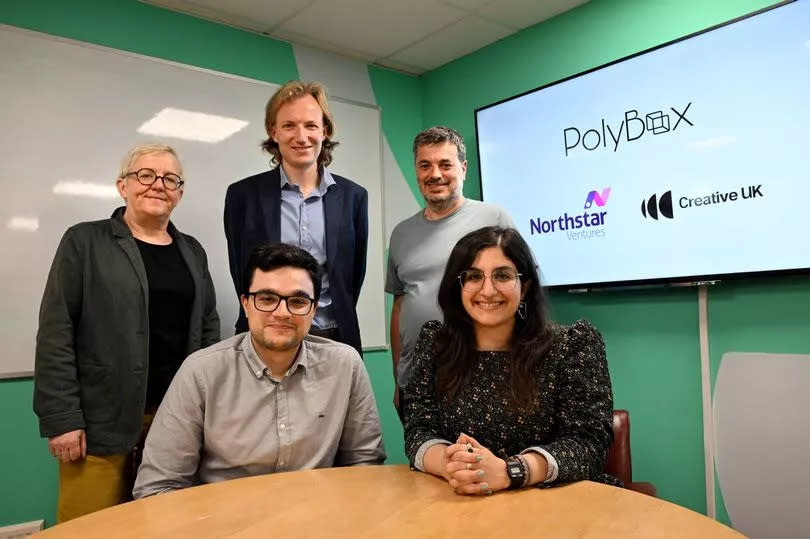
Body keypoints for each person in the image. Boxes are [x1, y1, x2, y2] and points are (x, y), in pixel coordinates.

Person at [33, 143, 220, 522]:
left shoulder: (193, 252)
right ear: (123, 186)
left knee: (166, 524)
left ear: (179, 193)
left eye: (170, 179)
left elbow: (207, 326)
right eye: (145, 175)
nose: (158, 185)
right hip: (101, 421)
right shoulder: (84, 242)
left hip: (175, 419)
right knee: (88, 528)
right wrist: (63, 418)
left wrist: (210, 406)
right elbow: (56, 331)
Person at [133, 243, 385, 498]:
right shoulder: (201, 372)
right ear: (246, 304)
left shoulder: (345, 365)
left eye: (298, 301)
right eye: (267, 299)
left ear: (314, 309)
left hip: (314, 519)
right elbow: (158, 486)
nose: (282, 312)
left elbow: (365, 465)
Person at [403, 226, 617, 495]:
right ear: (458, 285)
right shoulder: (435, 343)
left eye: (502, 275)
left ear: (524, 286)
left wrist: (511, 471)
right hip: (462, 502)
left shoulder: (573, 345)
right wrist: (452, 465)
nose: (488, 290)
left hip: (558, 503)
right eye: (473, 276)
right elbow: (419, 431)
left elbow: (589, 443)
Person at [224, 80, 367, 356]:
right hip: (265, 337)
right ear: (273, 131)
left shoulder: (353, 197)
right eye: (289, 125)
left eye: (311, 125)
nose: (301, 137)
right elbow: (240, 271)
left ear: (324, 131)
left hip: (334, 338)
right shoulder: (243, 196)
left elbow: (351, 279)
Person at [386, 126, 513, 417]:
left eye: (445, 164)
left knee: (474, 462)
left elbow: (521, 294)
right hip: (416, 382)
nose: (435, 174)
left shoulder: (494, 220)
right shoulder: (401, 233)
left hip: (480, 378)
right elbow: (400, 305)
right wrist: (398, 379)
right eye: (425, 165)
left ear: (463, 168)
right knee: (422, 462)